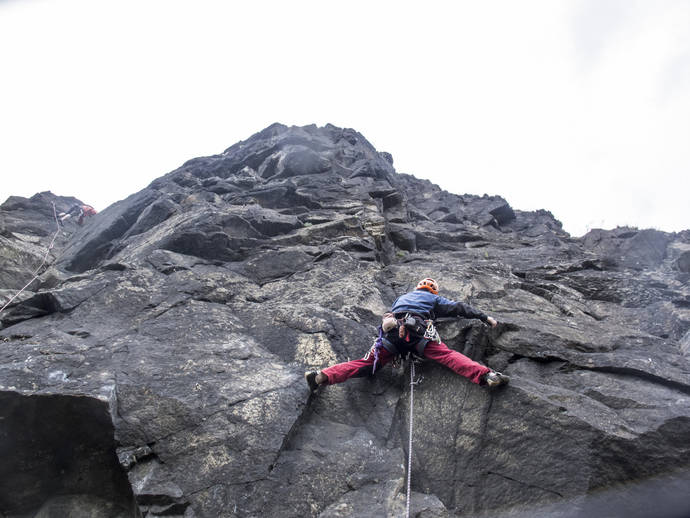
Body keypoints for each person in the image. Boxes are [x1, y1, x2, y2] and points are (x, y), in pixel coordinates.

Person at [305, 277, 509, 392]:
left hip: (392, 335)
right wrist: (485, 318)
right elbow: (459, 308)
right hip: (419, 333)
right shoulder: (432, 299)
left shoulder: (401, 299)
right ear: (433, 291)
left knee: (366, 364)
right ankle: (487, 374)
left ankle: (321, 376)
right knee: (447, 356)